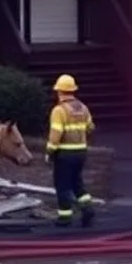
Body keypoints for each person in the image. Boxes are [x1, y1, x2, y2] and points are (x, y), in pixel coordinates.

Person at [45, 74, 95, 228]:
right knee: (77, 182)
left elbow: (56, 134)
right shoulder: (83, 108)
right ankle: (87, 207)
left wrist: (50, 152)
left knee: (62, 185)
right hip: (81, 152)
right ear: (73, 90)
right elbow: (90, 127)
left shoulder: (59, 111)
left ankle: (65, 217)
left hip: (64, 154)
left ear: (59, 91)